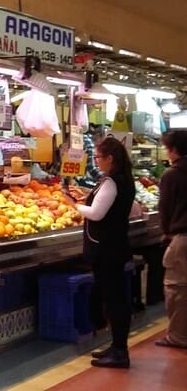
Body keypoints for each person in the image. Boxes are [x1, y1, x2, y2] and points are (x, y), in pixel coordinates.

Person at [77, 137, 135, 368]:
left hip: (107, 249)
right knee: (114, 298)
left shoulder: (112, 182)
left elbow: (96, 213)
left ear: (110, 158)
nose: (96, 161)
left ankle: (120, 352)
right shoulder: (124, 179)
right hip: (115, 246)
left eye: (98, 157)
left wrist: (74, 205)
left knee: (114, 300)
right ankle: (116, 346)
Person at [157, 129, 187, 348]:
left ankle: (178, 337)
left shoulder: (172, 175)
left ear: (174, 149)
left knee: (177, 288)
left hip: (182, 238)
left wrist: (166, 231)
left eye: (167, 148)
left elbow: (164, 208)